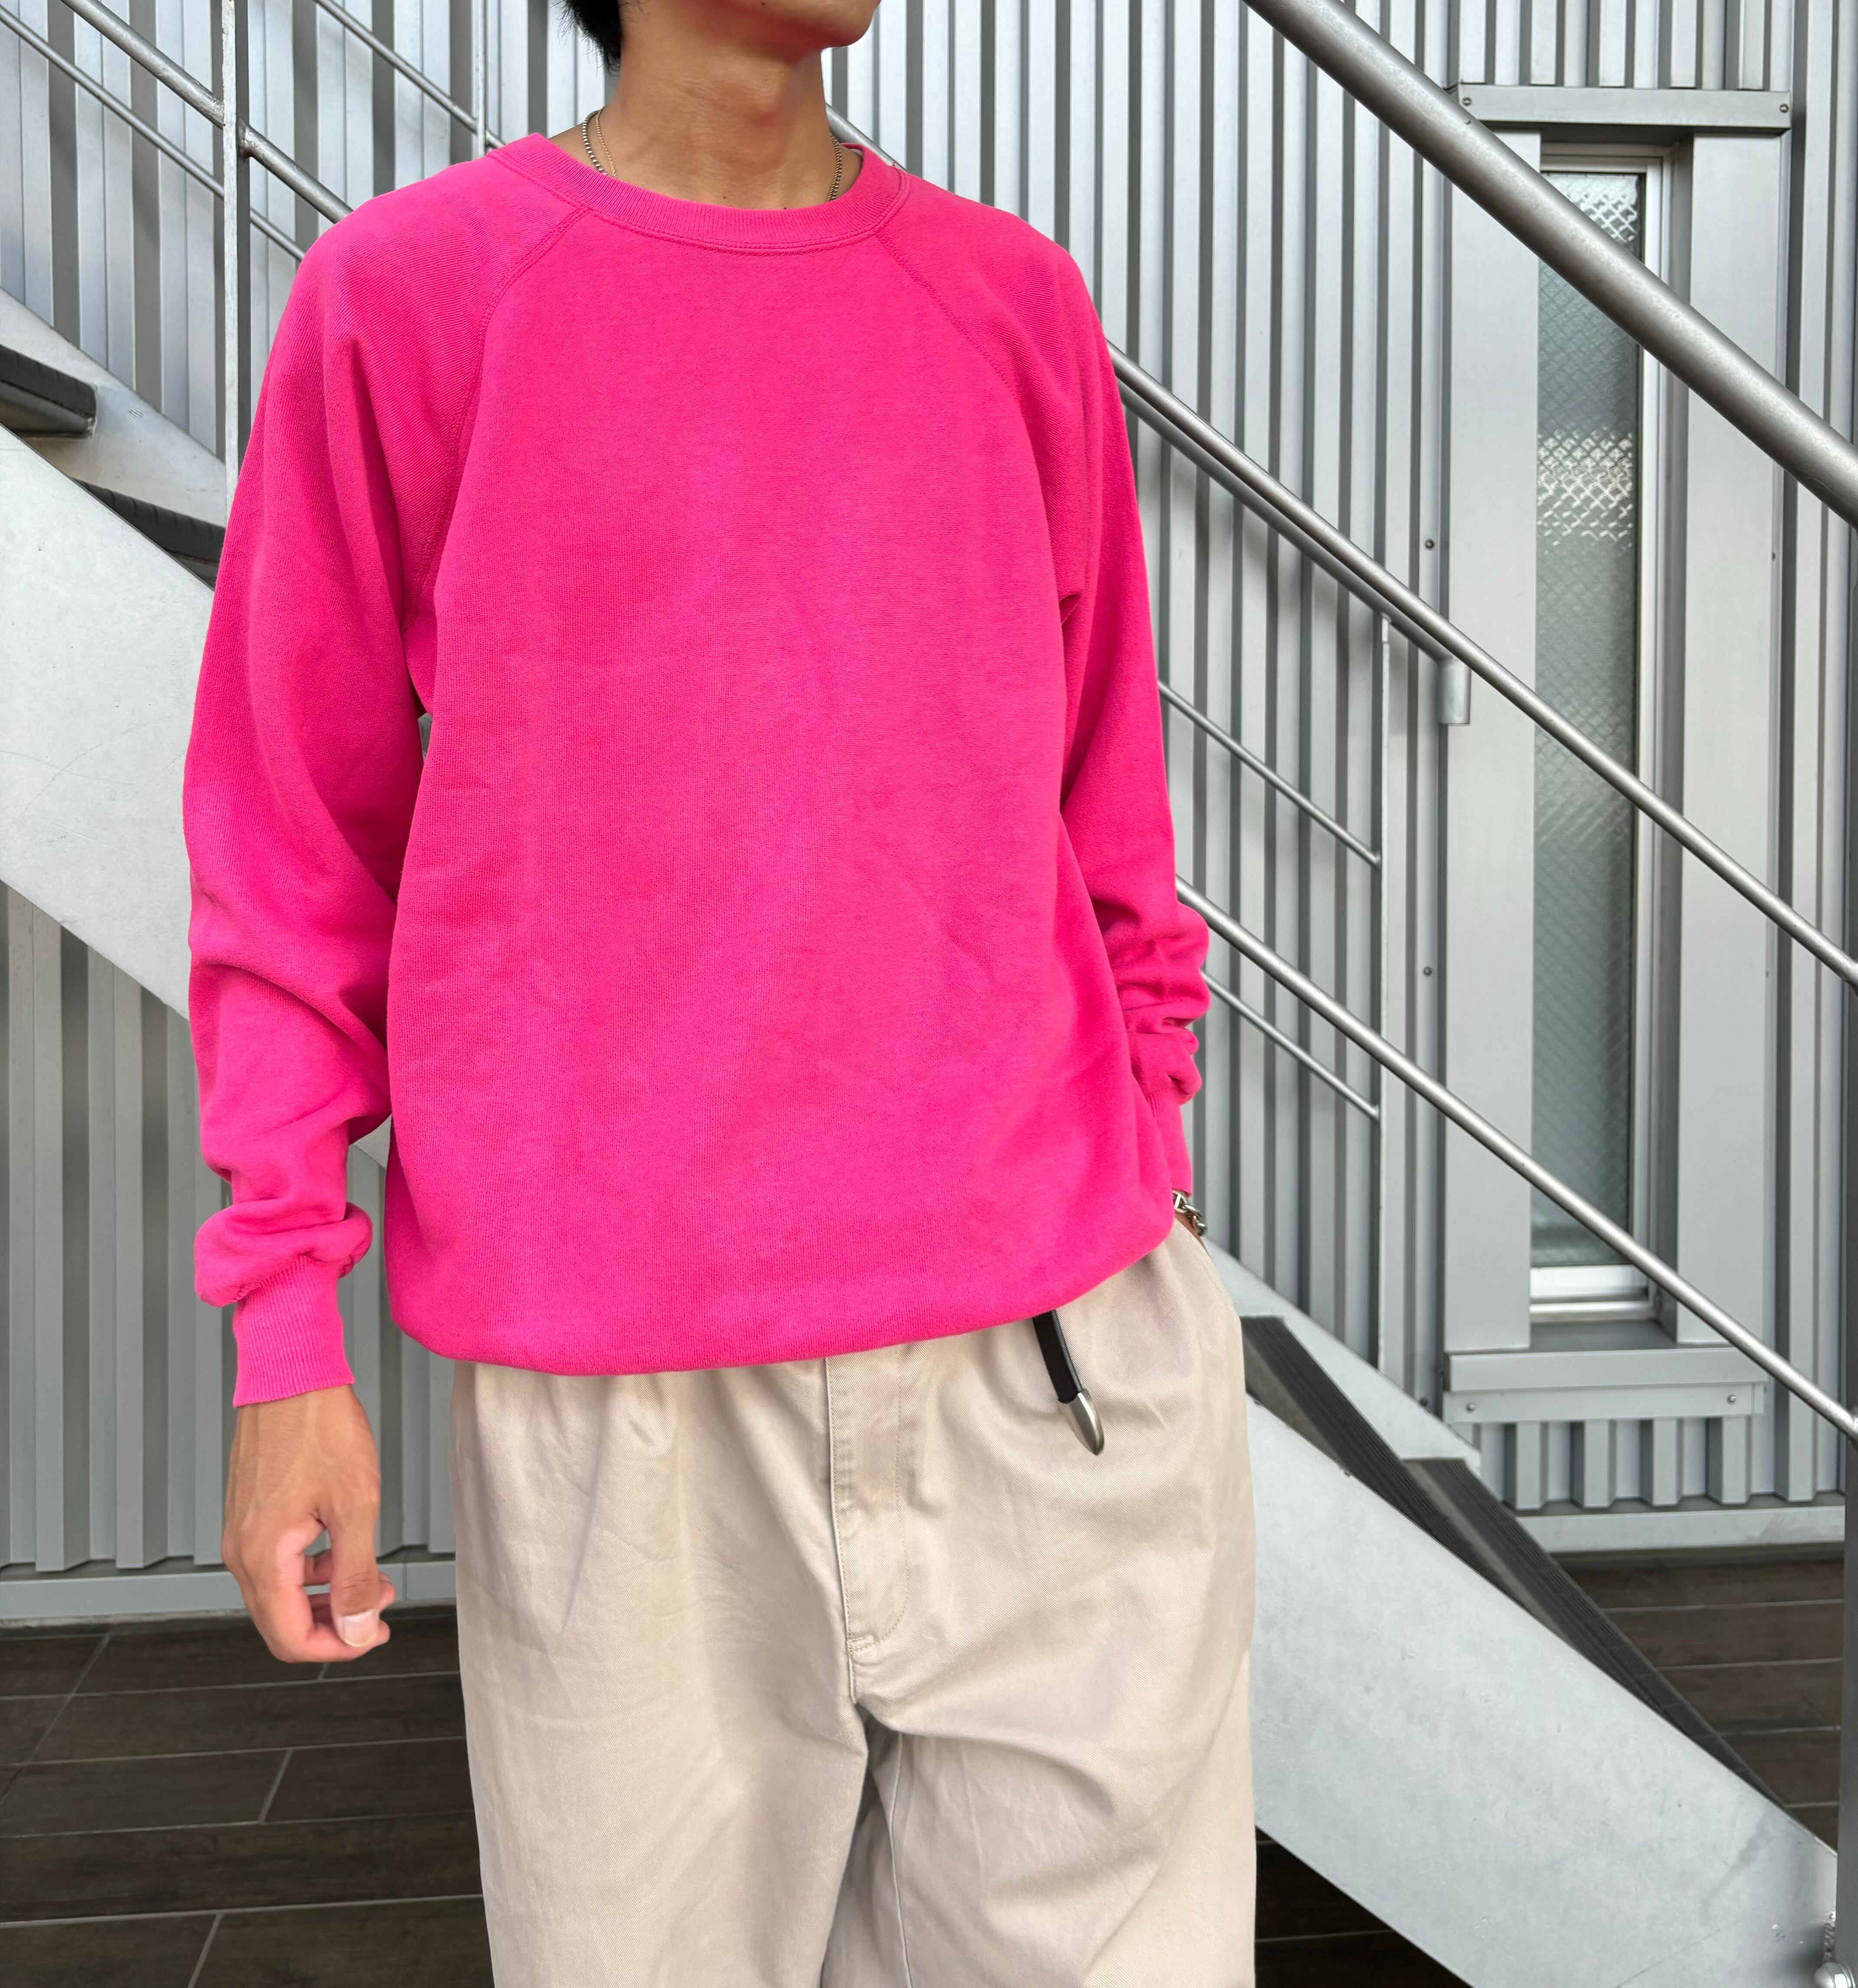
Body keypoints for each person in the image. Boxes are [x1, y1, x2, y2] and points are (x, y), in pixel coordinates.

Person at [181, 0, 1256, 1978]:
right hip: (624, 1402)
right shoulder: (413, 300)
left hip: (1056, 1360)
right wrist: (285, 1334)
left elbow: (1108, 787)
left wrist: (1150, 1146)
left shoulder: (1009, 300)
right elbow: (291, 842)